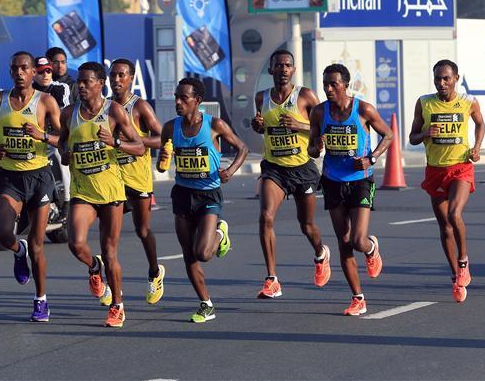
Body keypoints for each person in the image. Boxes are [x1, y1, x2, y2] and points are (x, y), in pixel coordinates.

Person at [0, 51, 62, 322]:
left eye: (24, 68)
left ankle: (41, 300)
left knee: (37, 245)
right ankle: (18, 250)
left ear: (33, 72)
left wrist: (42, 135)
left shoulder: (45, 101)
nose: (19, 73)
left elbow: (64, 138)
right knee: (2, 233)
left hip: (39, 178)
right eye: (15, 68)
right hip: (10, 177)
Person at [59, 61, 145, 328]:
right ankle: (94, 267)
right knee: (76, 243)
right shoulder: (69, 113)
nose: (81, 86)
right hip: (82, 191)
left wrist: (114, 142)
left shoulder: (114, 111)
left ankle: (117, 305)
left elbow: (140, 147)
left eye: (87, 82)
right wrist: (66, 154)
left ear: (100, 84)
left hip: (110, 192)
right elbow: (62, 144)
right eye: (79, 82)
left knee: (110, 253)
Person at [157, 77, 248, 323]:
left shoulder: (214, 125)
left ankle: (220, 232)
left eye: (183, 98)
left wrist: (230, 171)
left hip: (208, 194)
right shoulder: (170, 128)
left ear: (197, 100)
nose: (178, 102)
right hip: (182, 193)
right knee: (189, 254)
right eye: (176, 97)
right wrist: (163, 159)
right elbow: (162, 163)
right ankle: (206, 304)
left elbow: (242, 148)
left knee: (204, 253)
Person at [308, 63, 393, 316]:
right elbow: (312, 150)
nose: (328, 88)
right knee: (343, 243)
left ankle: (371, 248)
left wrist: (371, 158)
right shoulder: (319, 112)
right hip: (332, 180)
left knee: (357, 240)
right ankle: (358, 298)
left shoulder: (363, 109)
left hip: (360, 180)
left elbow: (388, 135)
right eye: (325, 84)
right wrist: (317, 147)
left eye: (333, 84)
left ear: (345, 85)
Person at [251, 49, 329, 299]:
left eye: (287, 65)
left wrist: (300, 125)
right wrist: (257, 126)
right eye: (278, 65)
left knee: (306, 225)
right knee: (265, 217)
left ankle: (321, 253)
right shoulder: (262, 97)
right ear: (271, 69)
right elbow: (262, 126)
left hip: (302, 167)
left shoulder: (305, 96)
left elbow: (325, 126)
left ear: (293, 70)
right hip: (274, 167)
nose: (283, 69)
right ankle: (272, 279)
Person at [408, 59, 484, 303]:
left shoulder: (468, 102)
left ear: (456, 79)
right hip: (435, 170)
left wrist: (476, 147)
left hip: (461, 167)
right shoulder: (424, 103)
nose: (441, 83)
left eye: (446, 78)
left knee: (454, 214)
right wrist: (425, 133)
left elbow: (480, 123)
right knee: (445, 226)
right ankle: (455, 277)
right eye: (437, 78)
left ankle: (463, 261)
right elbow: (412, 137)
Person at [109, 58, 165, 304]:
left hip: (138, 179)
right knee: (110, 234)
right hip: (112, 179)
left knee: (142, 230)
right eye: (113, 75)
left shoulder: (139, 106)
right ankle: (113, 287)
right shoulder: (106, 107)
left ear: (131, 78)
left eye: (121, 75)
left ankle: (154, 271)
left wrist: (134, 142)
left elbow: (163, 137)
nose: (116, 80)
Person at [33, 56, 71, 218]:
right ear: (34, 73)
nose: (45, 75)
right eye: (41, 72)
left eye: (48, 71)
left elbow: (62, 115)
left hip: (56, 136)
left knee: (59, 155)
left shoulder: (60, 88)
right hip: (33, 138)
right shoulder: (28, 89)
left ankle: (67, 203)